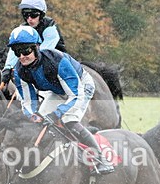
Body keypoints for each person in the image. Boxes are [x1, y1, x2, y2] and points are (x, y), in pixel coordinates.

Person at [8, 26, 114, 175]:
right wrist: (34, 116)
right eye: (17, 52)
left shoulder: (56, 61)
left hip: (81, 87)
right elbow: (27, 102)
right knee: (39, 122)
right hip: (58, 91)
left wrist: (57, 114)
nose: (22, 56)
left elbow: (76, 95)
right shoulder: (20, 71)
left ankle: (100, 158)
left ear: (37, 47)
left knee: (69, 120)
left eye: (26, 51)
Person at [1, 0, 66, 84]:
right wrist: (8, 68)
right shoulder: (22, 29)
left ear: (42, 15)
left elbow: (43, 52)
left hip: (56, 64)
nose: (29, 19)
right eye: (25, 15)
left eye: (33, 15)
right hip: (33, 64)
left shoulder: (50, 28)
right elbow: (14, 50)